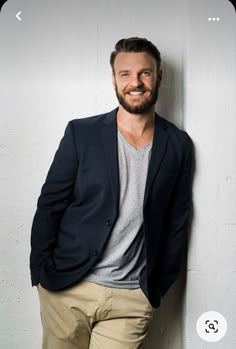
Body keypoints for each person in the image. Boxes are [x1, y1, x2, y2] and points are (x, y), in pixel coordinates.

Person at [30, 37, 194, 349]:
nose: (136, 83)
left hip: (131, 299)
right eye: (125, 74)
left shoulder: (178, 145)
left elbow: (177, 219)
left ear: (159, 77)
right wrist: (40, 272)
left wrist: (155, 288)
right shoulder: (82, 133)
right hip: (68, 289)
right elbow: (50, 204)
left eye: (145, 73)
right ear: (114, 80)